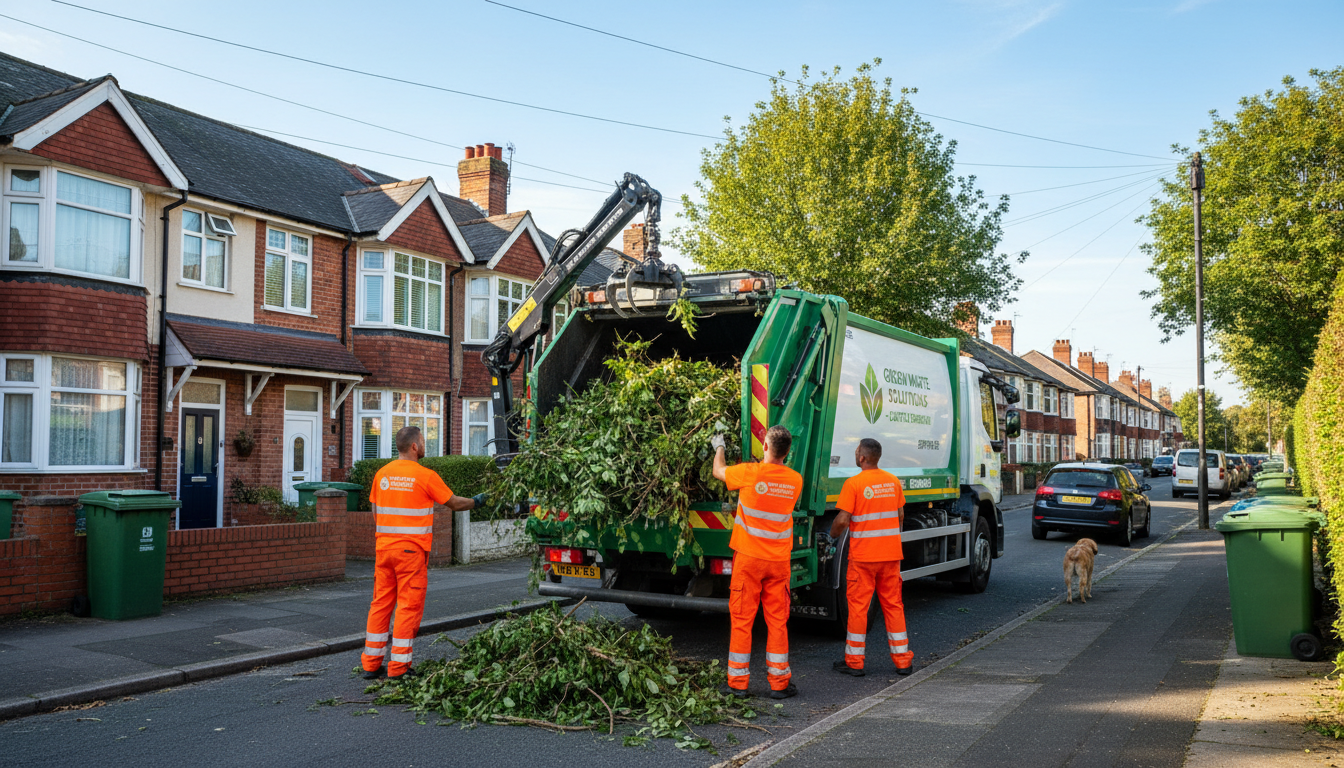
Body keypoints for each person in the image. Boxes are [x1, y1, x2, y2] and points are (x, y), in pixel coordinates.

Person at [361, 426, 488, 680]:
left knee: (380, 605)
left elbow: (376, 514)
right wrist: (479, 501)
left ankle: (371, 665)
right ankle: (399, 668)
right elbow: (453, 503)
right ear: (414, 446)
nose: (426, 444)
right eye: (423, 440)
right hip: (410, 552)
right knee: (408, 607)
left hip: (384, 550)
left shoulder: (381, 475)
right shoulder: (425, 475)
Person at [711, 424, 804, 700]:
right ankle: (780, 683)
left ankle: (738, 684)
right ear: (787, 453)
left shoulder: (749, 474)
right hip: (777, 562)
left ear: (765, 446)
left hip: (749, 560)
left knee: (742, 619)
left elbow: (719, 471)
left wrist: (720, 445)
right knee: (777, 622)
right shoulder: (795, 480)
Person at [830, 438, 912, 677]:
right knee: (893, 605)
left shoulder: (853, 484)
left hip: (864, 558)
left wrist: (832, 535)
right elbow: (900, 515)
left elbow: (843, 520)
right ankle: (903, 662)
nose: (856, 455)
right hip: (890, 555)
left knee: (858, 608)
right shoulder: (893, 481)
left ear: (862, 457)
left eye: (857, 452)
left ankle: (854, 662)